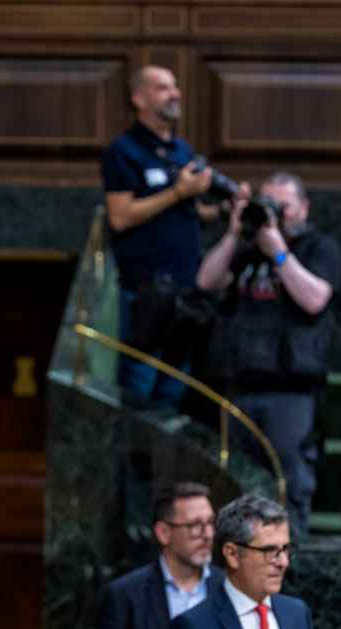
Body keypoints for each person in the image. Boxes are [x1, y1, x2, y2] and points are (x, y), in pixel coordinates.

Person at [197, 172, 341, 538]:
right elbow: (206, 282)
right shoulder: (245, 249)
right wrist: (234, 232)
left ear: (304, 208)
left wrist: (278, 248)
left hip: (291, 389)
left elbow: (314, 299)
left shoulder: (318, 247)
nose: (276, 213)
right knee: (238, 487)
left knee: (288, 483)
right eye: (269, 204)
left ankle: (291, 562)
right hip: (241, 382)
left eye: (285, 206)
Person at [102, 65, 220, 407]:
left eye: (175, 86)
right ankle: (131, 461)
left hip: (186, 290)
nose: (175, 94)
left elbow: (191, 211)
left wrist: (226, 211)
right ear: (139, 98)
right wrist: (178, 192)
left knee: (174, 389)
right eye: (163, 88)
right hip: (145, 292)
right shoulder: (123, 151)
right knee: (139, 387)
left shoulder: (182, 150)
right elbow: (120, 217)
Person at [163, 495, 317, 629]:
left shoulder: (297, 614)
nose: (283, 562)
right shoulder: (193, 628)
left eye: (285, 549)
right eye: (269, 551)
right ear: (232, 554)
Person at [91, 482, 225, 629]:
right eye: (195, 525)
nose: (208, 535)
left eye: (211, 523)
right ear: (164, 533)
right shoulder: (126, 595)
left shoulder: (229, 588)